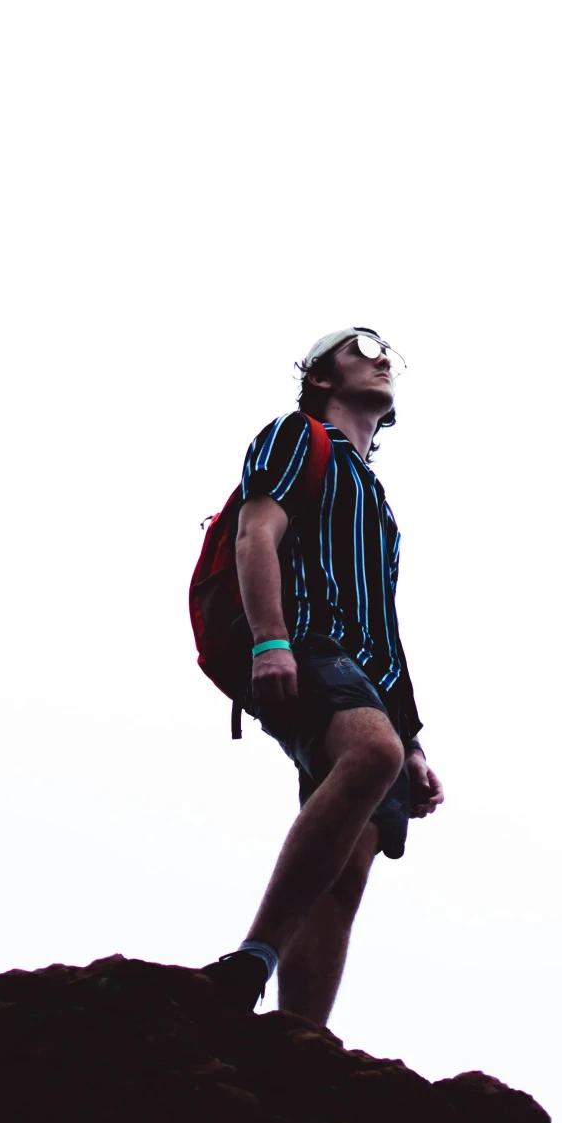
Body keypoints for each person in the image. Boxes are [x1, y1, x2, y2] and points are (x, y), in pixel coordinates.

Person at [201, 327, 443, 1023]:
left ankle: (299, 1039)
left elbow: (387, 626)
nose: (381, 354)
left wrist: (415, 740)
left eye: (387, 350)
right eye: (361, 345)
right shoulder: (295, 437)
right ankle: (251, 960)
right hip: (307, 640)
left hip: (372, 678)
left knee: (343, 877)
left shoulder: (378, 503)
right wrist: (270, 642)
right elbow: (257, 534)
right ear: (321, 378)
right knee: (370, 753)